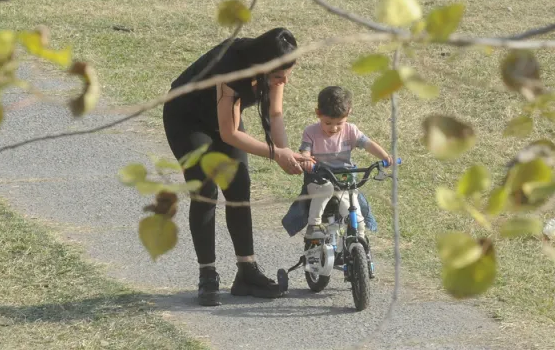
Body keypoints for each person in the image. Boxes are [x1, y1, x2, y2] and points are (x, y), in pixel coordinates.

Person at [162, 27, 310, 306]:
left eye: (286, 75)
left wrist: (285, 150)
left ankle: (246, 272)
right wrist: (275, 154)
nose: (284, 82)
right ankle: (207, 274)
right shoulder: (230, 67)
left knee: (239, 189)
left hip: (223, 119)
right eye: (278, 77)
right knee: (206, 190)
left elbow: (274, 112)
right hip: (187, 118)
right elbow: (229, 134)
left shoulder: (275, 68)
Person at [298, 86, 392, 269]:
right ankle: (314, 225)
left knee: (355, 214)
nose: (333, 128)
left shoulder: (351, 131)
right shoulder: (311, 131)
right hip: (319, 179)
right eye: (327, 123)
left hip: (343, 181)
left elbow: (368, 144)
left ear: (349, 113)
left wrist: (385, 157)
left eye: (339, 124)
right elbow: (305, 151)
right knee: (325, 188)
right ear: (318, 113)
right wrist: (306, 160)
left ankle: (360, 252)